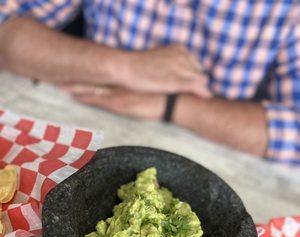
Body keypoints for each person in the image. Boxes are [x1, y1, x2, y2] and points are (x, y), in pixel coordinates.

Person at [0, 1, 299, 164]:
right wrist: (123, 65)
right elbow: (5, 26)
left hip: (214, 156)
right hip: (86, 127)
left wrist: (171, 105)